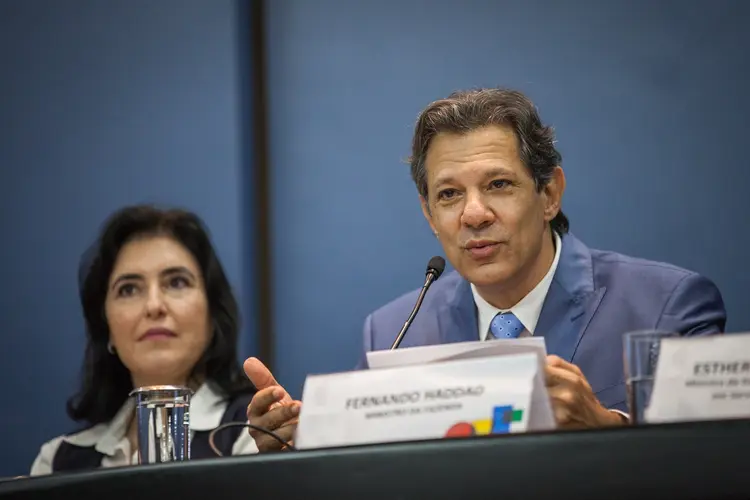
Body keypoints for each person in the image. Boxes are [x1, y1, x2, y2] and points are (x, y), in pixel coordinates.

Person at [243, 87, 726, 450]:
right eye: (449, 194)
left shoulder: (667, 306)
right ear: (430, 215)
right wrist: (302, 446)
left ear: (550, 194)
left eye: (498, 184)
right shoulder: (391, 333)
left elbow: (713, 464)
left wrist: (608, 429)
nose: (473, 214)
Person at [30, 205, 258, 475]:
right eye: (128, 289)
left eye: (176, 283)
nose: (153, 306)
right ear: (107, 329)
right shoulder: (57, 463)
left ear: (212, 315)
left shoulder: (255, 434)